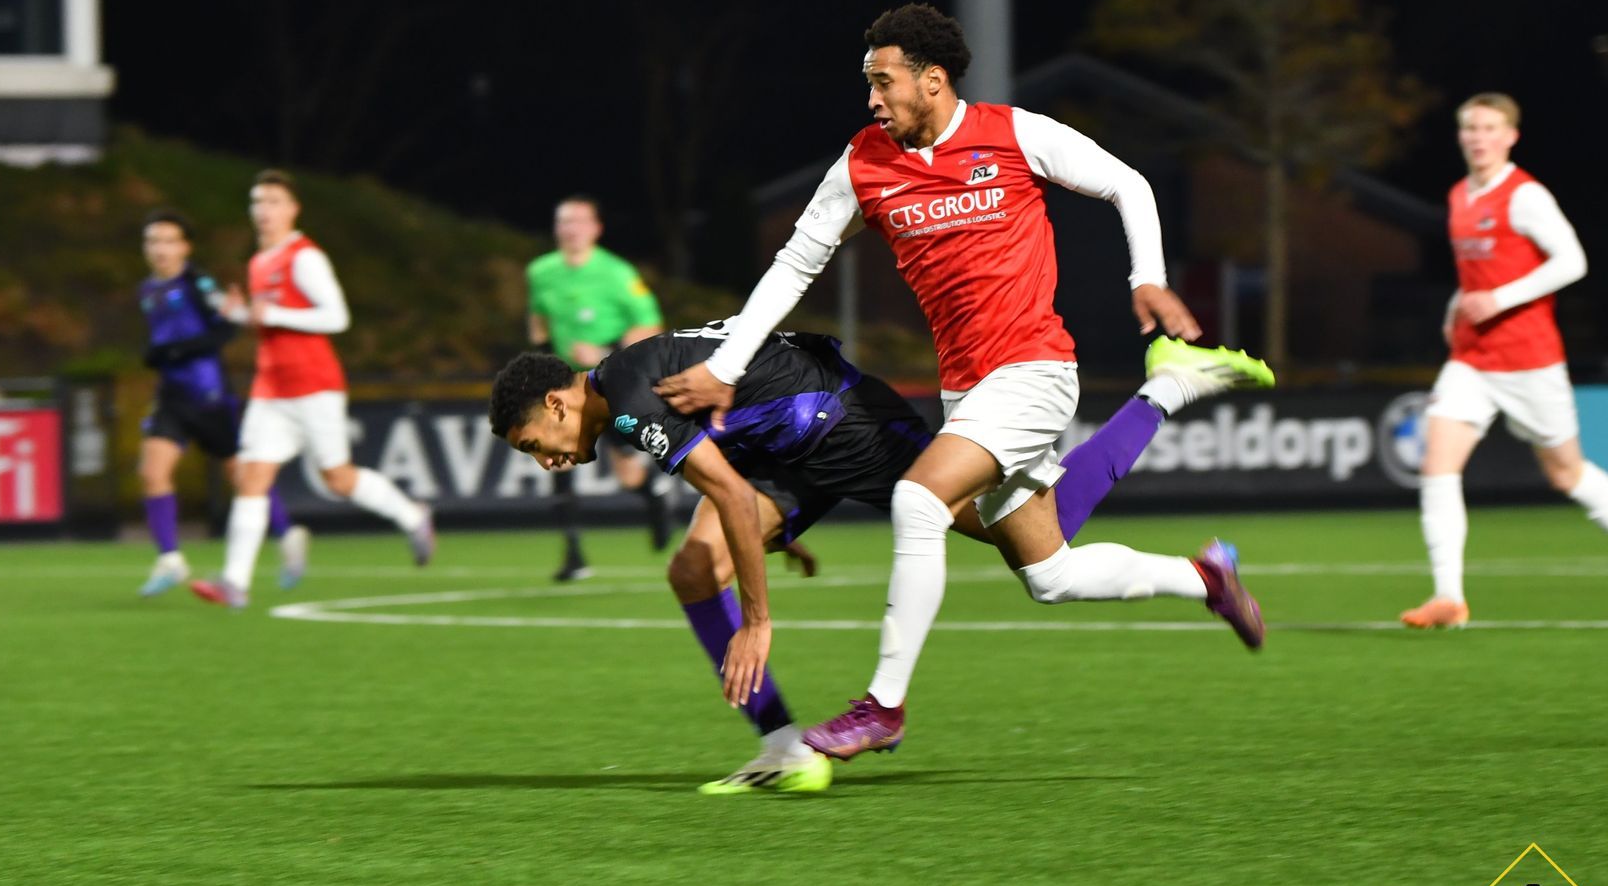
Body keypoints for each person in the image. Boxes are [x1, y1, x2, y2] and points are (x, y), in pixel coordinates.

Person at [657, 3, 1269, 762]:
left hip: (1036, 370)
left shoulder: (1012, 133)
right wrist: (726, 366)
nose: (872, 99)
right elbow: (794, 266)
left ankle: (882, 707)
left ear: (933, 80)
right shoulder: (863, 163)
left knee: (919, 500)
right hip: (968, 392)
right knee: (1051, 574)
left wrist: (1147, 277)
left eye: (883, 82)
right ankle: (1207, 576)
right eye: (869, 84)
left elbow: (1128, 184)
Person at [491, 318, 1271, 793]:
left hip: (845, 425)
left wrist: (757, 619)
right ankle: (783, 749)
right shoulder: (626, 386)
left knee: (1044, 544)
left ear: (558, 403)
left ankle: (1169, 390)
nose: (546, 462)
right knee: (693, 569)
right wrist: (775, 532)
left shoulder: (628, 400)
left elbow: (728, 493)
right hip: (793, 447)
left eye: (535, 444)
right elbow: (735, 469)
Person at [1402, 93, 1603, 629]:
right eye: (1470, 127)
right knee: (1437, 465)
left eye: (1490, 128)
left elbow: (1573, 261)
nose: (1478, 137)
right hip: (1471, 358)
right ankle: (1448, 598)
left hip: (1528, 360)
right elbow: (1478, 274)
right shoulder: (1459, 193)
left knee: (1566, 474)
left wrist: (1500, 299)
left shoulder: (1525, 196)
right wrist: (1458, 303)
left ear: (1511, 136)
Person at [190, 171, 435, 608]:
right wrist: (242, 316)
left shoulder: (305, 258)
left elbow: (337, 317)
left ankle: (412, 515)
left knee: (338, 479)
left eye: (273, 202)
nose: (264, 210)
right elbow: (270, 322)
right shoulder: (258, 261)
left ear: (293, 209)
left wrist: (274, 315)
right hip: (271, 389)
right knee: (251, 477)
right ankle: (234, 583)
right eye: (257, 202)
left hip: (314, 386)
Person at [132, 211, 307, 598]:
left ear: (185, 247)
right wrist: (157, 354)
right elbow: (163, 339)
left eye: (168, 241)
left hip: (210, 397)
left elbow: (226, 327)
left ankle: (287, 535)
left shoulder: (198, 283)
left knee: (243, 478)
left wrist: (175, 350)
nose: (160, 249)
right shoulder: (146, 290)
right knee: (151, 471)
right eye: (153, 241)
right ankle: (170, 560)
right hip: (172, 398)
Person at [527, 196, 672, 580]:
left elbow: (651, 326)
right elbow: (539, 319)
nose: (571, 228)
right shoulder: (541, 271)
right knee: (557, 459)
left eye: (579, 221)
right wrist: (542, 358)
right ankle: (574, 555)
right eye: (564, 221)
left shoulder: (618, 273)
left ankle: (654, 495)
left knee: (627, 473)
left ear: (596, 229)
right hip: (564, 385)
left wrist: (606, 349)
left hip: (610, 382)